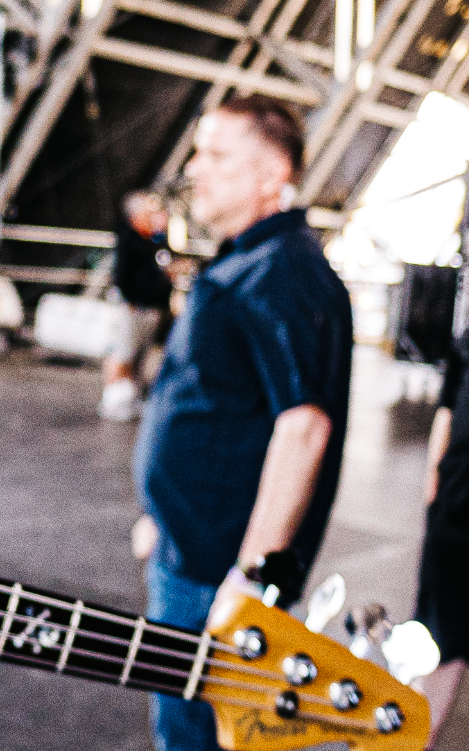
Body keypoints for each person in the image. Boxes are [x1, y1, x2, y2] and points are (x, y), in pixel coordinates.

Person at [130, 94, 351, 751]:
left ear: (270, 173)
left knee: (195, 737)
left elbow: (303, 427)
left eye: (217, 155)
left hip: (218, 577)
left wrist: (250, 582)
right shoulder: (246, 260)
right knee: (182, 727)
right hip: (189, 552)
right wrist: (163, 515)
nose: (195, 168)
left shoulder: (284, 270)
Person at [415, 325, 469, 725]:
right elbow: (446, 410)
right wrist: (432, 489)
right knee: (435, 640)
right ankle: (422, 731)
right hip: (453, 509)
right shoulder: (467, 341)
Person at [100, 190, 175, 422]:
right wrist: (129, 300)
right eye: (146, 212)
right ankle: (112, 399)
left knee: (139, 355)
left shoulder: (153, 239)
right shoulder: (127, 238)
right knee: (123, 353)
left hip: (152, 307)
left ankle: (130, 397)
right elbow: (121, 274)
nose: (151, 215)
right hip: (134, 307)